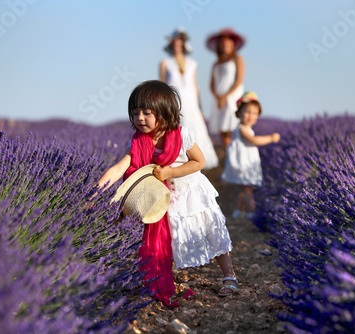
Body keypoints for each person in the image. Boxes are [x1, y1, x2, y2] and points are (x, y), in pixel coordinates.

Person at [96, 80, 239, 303]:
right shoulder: (138, 141)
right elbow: (118, 168)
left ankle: (229, 275)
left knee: (211, 230)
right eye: (135, 113)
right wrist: (95, 193)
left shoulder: (181, 135)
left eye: (146, 112)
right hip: (163, 198)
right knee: (169, 238)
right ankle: (162, 278)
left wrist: (170, 172)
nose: (140, 118)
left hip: (191, 193)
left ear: (164, 112)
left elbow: (198, 162)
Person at [160, 27, 219, 170]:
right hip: (174, 104)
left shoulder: (192, 63)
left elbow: (195, 85)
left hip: (191, 102)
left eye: (180, 42)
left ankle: (196, 162)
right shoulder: (165, 63)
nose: (177, 45)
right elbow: (161, 85)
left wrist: (200, 106)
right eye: (175, 42)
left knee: (195, 131)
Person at [221, 92, 280, 219]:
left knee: (243, 190)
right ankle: (252, 213)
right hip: (243, 164)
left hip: (245, 162)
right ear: (239, 113)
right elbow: (253, 140)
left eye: (254, 113)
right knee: (247, 190)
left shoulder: (246, 128)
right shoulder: (242, 129)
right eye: (247, 112)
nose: (251, 116)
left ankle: (238, 212)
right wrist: (270, 138)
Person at [206, 28, 246, 148]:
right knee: (222, 131)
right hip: (219, 99)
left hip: (232, 97)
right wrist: (218, 97)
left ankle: (233, 156)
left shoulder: (237, 59)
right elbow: (211, 84)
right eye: (222, 42)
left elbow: (239, 80)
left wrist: (225, 96)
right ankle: (227, 156)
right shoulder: (216, 64)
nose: (225, 44)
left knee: (232, 128)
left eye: (228, 41)